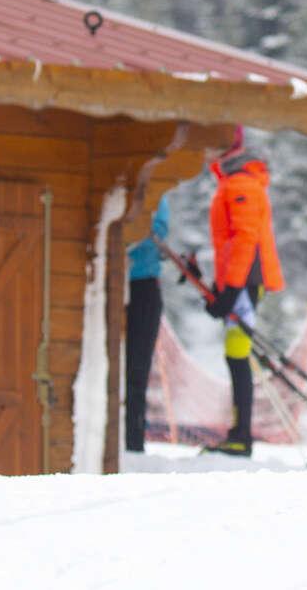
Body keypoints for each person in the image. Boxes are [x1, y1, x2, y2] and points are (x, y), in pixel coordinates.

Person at [203, 128, 284, 456]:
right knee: (235, 354)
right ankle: (239, 433)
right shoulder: (236, 183)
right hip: (240, 282)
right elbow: (231, 245)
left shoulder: (241, 185)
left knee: (237, 355)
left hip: (246, 282)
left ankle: (241, 436)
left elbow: (244, 240)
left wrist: (231, 289)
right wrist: (220, 286)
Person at [124, 193, 169, 453]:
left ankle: (133, 439)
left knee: (136, 370)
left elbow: (158, 231)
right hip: (110, 282)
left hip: (142, 284)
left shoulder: (157, 194)